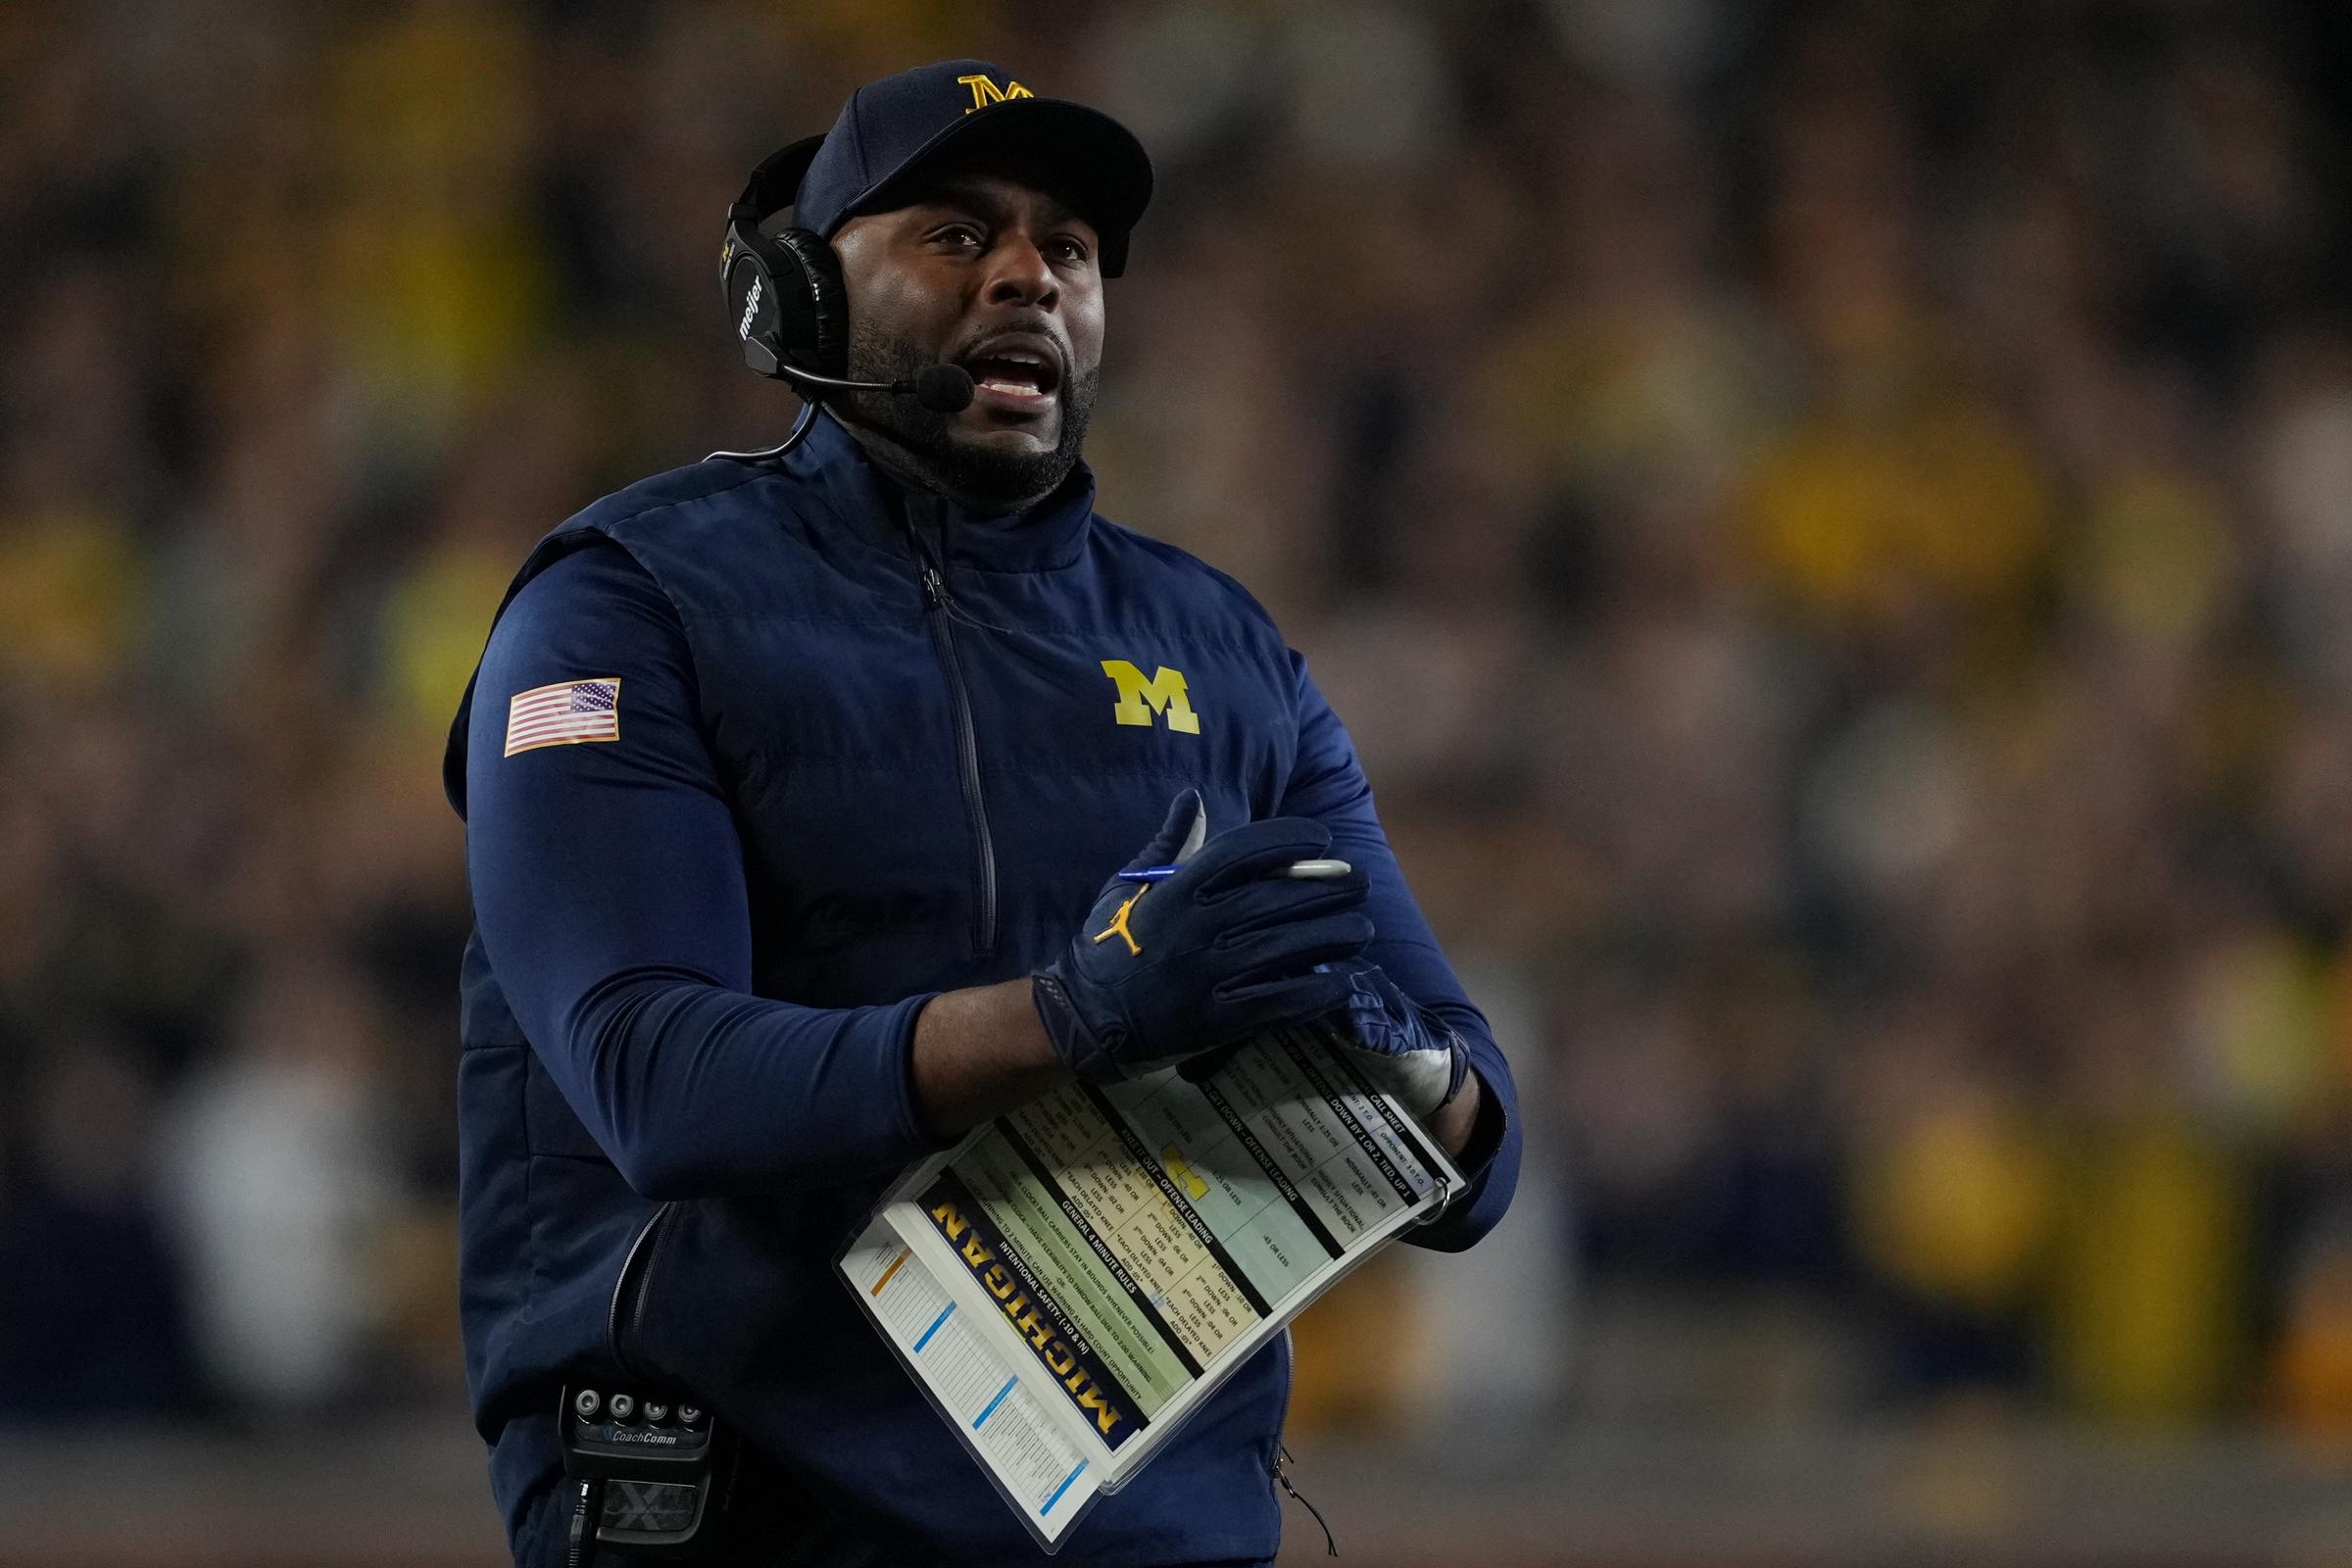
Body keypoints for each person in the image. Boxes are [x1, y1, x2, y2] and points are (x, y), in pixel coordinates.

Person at [446, 59, 1520, 1568]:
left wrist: (1387, 1058)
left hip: (1152, 1526)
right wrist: (1075, 1014)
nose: (1027, 273)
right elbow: (652, 1077)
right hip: (750, 1508)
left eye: (1069, 251)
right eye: (955, 235)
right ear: (799, 294)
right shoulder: (624, 611)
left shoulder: (1226, 653)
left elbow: (1478, 1161)